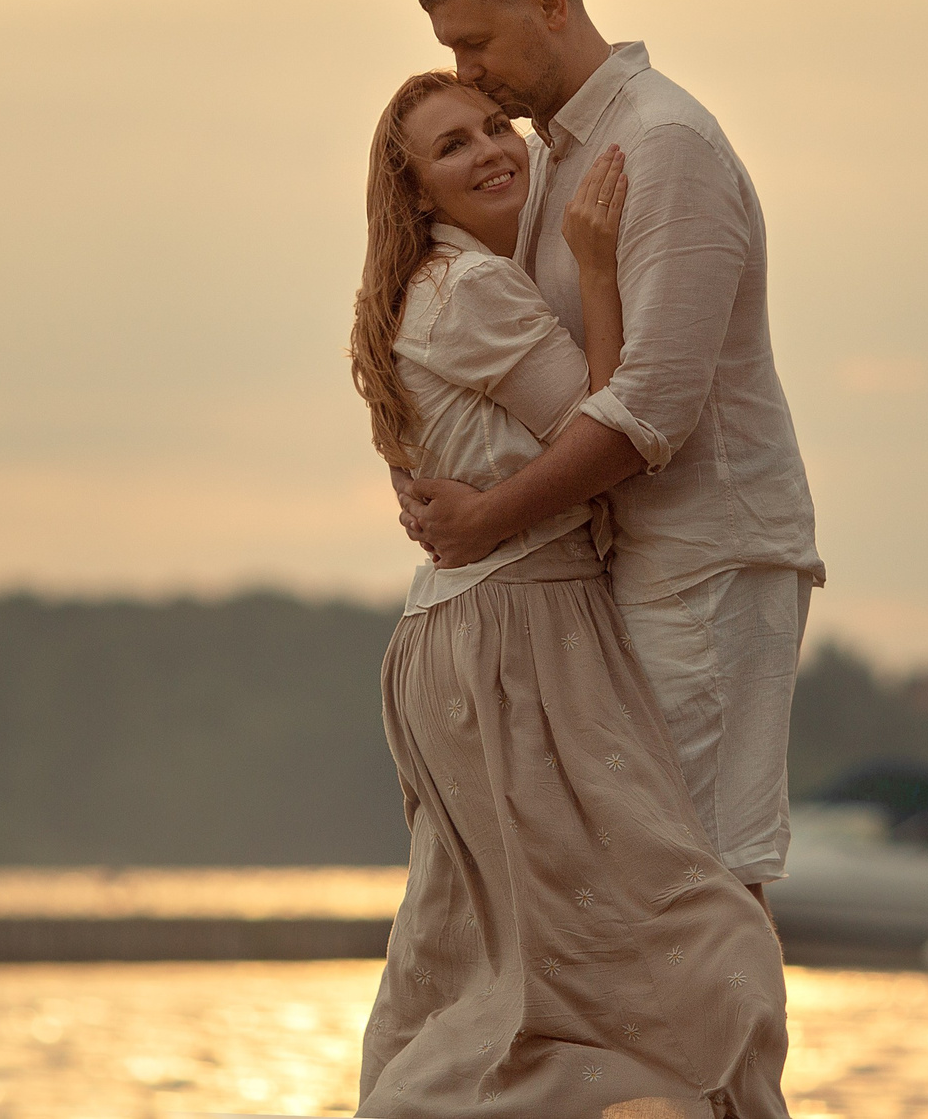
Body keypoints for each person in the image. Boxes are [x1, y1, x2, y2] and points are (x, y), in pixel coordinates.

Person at [349, 70, 789, 1119]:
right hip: (519, 627)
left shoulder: (431, 293)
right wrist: (596, 266)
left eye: (494, 125)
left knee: (491, 952)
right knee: (694, 934)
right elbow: (604, 428)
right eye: (452, 147)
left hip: (465, 626)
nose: (493, 148)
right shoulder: (472, 294)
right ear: (414, 194)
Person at [397, 0, 824, 907]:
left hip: (709, 559)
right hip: (630, 567)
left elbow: (652, 410)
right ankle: (686, 1071)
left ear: (550, 5)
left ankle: (739, 1073)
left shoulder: (662, 145)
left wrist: (485, 519)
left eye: (474, 43)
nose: (466, 73)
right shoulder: (553, 154)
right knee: (639, 888)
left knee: (706, 876)